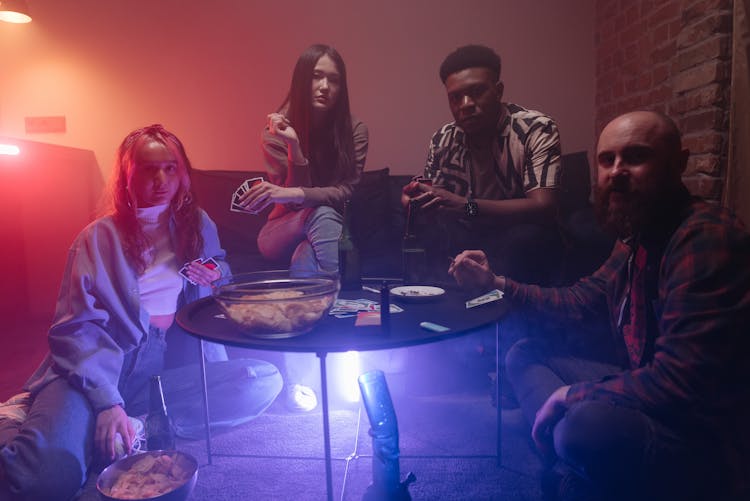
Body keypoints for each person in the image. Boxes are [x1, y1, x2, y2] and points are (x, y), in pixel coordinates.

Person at [448, 111, 750, 500]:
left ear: (679, 164)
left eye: (636, 157)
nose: (617, 171)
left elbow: (681, 384)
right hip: (647, 380)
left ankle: (574, 463)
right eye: (607, 160)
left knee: (585, 426)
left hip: (700, 431)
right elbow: (582, 298)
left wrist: (572, 395)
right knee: (524, 354)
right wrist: (495, 283)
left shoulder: (704, 239)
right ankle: (576, 460)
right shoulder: (636, 233)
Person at [0, 125, 282, 500]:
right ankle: (25, 421)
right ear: (127, 176)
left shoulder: (198, 224)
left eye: (170, 167)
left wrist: (214, 276)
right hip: (93, 371)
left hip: (160, 374)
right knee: (44, 481)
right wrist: (106, 401)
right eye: (149, 169)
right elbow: (73, 329)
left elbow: (221, 272)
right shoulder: (97, 237)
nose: (162, 179)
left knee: (261, 379)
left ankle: (131, 428)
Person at [236, 44, 368, 411]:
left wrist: (295, 190)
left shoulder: (355, 130)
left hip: (316, 235)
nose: (325, 86)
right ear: (301, 80)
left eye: (334, 79)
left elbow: (345, 192)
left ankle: (304, 381)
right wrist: (294, 148)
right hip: (278, 230)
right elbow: (293, 204)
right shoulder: (276, 129)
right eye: (317, 76)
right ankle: (339, 316)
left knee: (305, 253)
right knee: (321, 216)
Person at [402, 44, 564, 286]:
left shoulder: (534, 129)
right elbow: (439, 205)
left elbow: (544, 207)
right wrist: (414, 203)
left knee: (525, 239)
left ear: (498, 91)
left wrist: (467, 207)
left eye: (477, 92)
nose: (465, 104)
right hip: (465, 236)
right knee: (421, 237)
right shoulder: (442, 139)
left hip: (517, 236)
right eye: (455, 97)